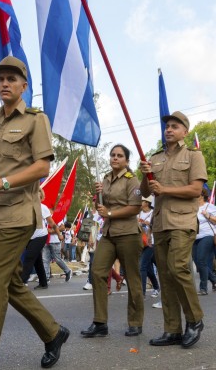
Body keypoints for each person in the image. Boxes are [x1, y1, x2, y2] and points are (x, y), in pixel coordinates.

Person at [0, 56, 68, 370]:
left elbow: (42, 167)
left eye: (11, 79)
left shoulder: (35, 120)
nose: (4, 83)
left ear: (24, 86)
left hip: (20, 214)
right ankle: (53, 332)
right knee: (9, 283)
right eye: (1, 79)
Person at [140, 110, 207, 349]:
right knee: (165, 276)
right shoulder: (155, 158)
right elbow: (145, 192)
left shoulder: (193, 156)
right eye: (167, 126)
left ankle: (195, 319)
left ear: (185, 132)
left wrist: (165, 189)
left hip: (182, 221)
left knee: (178, 268)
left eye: (175, 126)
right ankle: (172, 329)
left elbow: (196, 190)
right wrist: (145, 174)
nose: (169, 129)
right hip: (160, 223)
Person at [81, 144, 144, 338]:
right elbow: (100, 206)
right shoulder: (106, 179)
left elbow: (135, 207)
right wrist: (97, 196)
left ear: (127, 160)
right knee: (97, 272)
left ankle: (135, 322)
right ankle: (100, 322)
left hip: (128, 233)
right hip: (108, 233)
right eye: (112, 155)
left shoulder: (132, 180)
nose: (115, 158)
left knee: (132, 277)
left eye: (119, 155)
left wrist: (109, 213)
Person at [21, 190, 50, 290]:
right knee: (37, 261)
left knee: (29, 257)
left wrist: (59, 233)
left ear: (41, 197)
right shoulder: (26, 207)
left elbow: (52, 223)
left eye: (39, 196)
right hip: (30, 237)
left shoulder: (43, 208)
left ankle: (21, 282)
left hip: (41, 236)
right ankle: (43, 283)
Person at [194, 189, 216, 295]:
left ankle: (203, 288)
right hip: (194, 237)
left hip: (207, 235)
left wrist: (208, 216)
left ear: (202, 196)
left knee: (201, 260)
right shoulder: (192, 207)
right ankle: (213, 278)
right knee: (198, 262)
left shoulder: (210, 207)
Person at [138, 197, 159, 298]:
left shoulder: (153, 213)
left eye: (142, 201)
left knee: (142, 266)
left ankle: (142, 293)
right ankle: (156, 287)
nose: (140, 202)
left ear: (147, 202)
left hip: (151, 242)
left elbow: (158, 226)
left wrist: (149, 224)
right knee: (149, 268)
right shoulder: (138, 213)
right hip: (141, 243)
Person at [43, 214, 72, 282]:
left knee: (57, 259)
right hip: (45, 241)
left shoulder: (56, 216)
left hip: (55, 241)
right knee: (45, 260)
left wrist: (51, 231)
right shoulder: (43, 216)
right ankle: (46, 277)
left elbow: (62, 228)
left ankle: (67, 271)